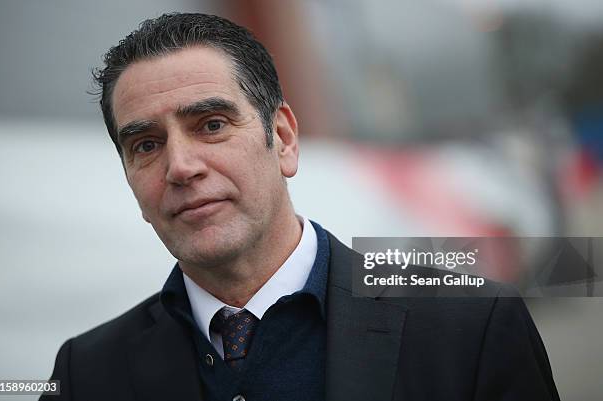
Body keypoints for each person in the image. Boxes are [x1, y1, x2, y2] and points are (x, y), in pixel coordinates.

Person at [41, 13, 560, 401]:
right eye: (146, 145)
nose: (180, 166)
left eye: (212, 125)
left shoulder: (472, 326)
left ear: (284, 138)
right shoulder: (85, 375)